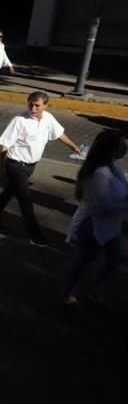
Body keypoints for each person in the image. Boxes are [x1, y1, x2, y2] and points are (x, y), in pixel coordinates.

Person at [0, 91, 82, 246]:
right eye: (30, 104)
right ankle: (35, 236)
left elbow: (59, 134)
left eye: (37, 105)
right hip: (15, 165)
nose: (33, 108)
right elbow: (4, 146)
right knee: (25, 201)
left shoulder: (48, 118)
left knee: (8, 193)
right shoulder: (19, 121)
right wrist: (1, 168)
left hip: (30, 166)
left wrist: (74, 147)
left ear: (45, 106)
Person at [63, 130, 128, 309]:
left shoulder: (114, 168)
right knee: (84, 261)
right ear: (112, 150)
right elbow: (105, 207)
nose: (125, 147)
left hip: (110, 226)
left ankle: (96, 290)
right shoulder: (99, 175)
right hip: (93, 226)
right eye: (121, 144)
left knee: (114, 258)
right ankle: (69, 293)